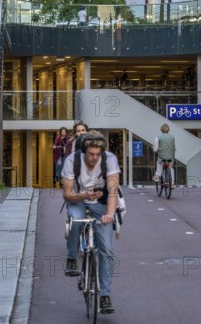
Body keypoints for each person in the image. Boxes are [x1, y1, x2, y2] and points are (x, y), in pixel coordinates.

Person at [61, 130, 120, 315]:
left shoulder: (109, 159)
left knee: (107, 249)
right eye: (91, 154)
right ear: (84, 150)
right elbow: (67, 194)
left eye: (98, 154)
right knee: (76, 221)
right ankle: (72, 258)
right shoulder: (72, 160)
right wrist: (83, 195)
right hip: (78, 198)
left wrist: (110, 214)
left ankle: (105, 296)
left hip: (100, 202)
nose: (94, 158)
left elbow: (112, 191)